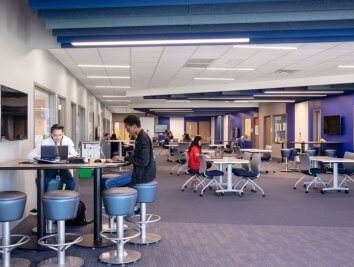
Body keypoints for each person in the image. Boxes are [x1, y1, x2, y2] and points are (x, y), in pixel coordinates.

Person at [103, 115, 156, 189]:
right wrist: (123, 157)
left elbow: (143, 161)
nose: (128, 132)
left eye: (128, 129)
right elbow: (139, 157)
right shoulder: (140, 137)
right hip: (142, 173)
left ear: (134, 127)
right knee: (110, 182)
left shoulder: (143, 139)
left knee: (107, 183)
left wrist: (125, 159)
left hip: (142, 176)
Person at [27, 124, 77, 191]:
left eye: (60, 135)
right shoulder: (44, 142)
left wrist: (65, 156)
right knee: (42, 184)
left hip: (63, 168)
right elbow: (30, 156)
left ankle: (64, 199)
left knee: (71, 184)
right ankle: (45, 200)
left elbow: (75, 155)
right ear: (51, 134)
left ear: (63, 134)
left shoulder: (67, 141)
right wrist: (43, 157)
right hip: (49, 168)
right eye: (55, 135)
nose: (57, 137)